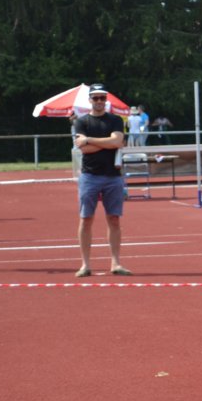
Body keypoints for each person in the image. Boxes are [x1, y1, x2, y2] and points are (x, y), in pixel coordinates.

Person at [73, 83, 131, 277]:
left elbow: (116, 141)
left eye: (102, 98)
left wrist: (89, 139)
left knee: (114, 219)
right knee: (86, 219)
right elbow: (84, 149)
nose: (99, 101)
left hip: (113, 176)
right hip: (89, 176)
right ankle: (85, 264)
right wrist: (109, 143)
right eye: (96, 98)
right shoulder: (81, 122)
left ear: (106, 100)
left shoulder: (115, 120)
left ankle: (116, 263)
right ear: (90, 100)